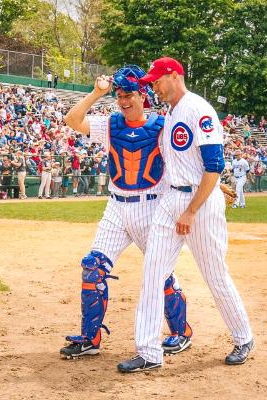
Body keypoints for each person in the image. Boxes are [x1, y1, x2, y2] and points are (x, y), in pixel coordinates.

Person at [118, 57, 253, 373]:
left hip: (198, 206)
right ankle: (149, 351)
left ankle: (243, 337)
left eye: (157, 80)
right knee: (153, 273)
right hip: (171, 200)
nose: (153, 86)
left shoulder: (199, 110)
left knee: (214, 274)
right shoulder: (170, 113)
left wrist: (192, 210)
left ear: (175, 76)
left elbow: (214, 165)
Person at [60, 65, 192, 360]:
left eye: (129, 95)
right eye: (119, 96)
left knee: (162, 275)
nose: (123, 101)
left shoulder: (162, 125)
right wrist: (97, 92)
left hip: (152, 205)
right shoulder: (111, 125)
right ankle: (89, 338)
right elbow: (72, 120)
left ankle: (181, 332)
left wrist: (211, 185)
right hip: (117, 206)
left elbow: (186, 160)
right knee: (92, 268)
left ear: (143, 96)